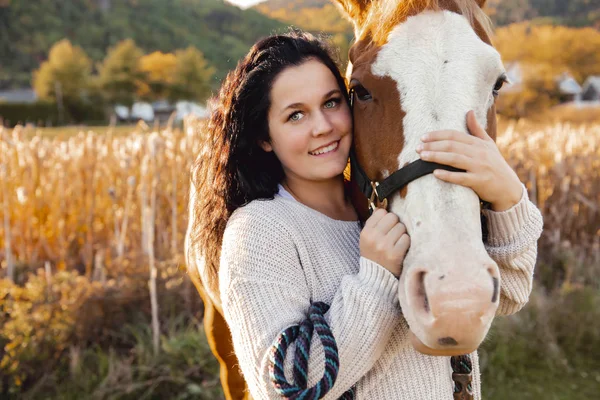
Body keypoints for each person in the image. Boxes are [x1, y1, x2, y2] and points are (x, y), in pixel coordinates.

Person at [187, 31, 543, 399]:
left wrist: (508, 196)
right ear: (265, 136)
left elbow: (510, 293)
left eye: (331, 103)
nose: (323, 127)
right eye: (296, 115)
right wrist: (375, 280)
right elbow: (282, 389)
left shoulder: (389, 205)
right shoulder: (260, 230)